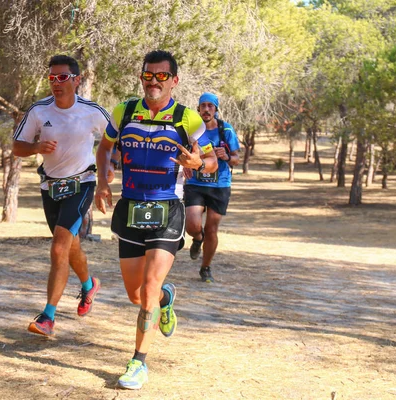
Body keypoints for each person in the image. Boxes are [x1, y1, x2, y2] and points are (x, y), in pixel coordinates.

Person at [94, 50, 218, 390]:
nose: (153, 81)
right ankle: (165, 299)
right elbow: (105, 148)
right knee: (138, 295)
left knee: (147, 287)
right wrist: (103, 182)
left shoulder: (188, 120)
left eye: (161, 76)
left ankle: (138, 362)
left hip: (168, 210)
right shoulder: (124, 112)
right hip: (131, 208)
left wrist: (196, 164)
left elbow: (212, 163)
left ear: (174, 81)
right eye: (148, 75)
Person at [12, 55, 109, 336]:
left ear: (77, 80)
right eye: (52, 78)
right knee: (71, 245)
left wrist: (106, 174)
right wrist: (36, 148)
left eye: (62, 77)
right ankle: (90, 284)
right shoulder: (39, 111)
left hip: (82, 183)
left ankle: (48, 316)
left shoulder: (92, 111)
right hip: (51, 186)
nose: (56, 83)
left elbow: (114, 139)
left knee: (58, 247)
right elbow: (17, 147)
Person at [184, 92, 240, 283]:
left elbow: (236, 159)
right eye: (203, 106)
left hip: (219, 185)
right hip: (196, 183)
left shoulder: (226, 130)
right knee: (191, 224)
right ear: (198, 108)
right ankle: (197, 238)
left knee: (212, 229)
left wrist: (225, 156)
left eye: (210, 106)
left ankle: (206, 267)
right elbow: (181, 151)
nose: (206, 109)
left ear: (215, 109)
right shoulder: (191, 129)